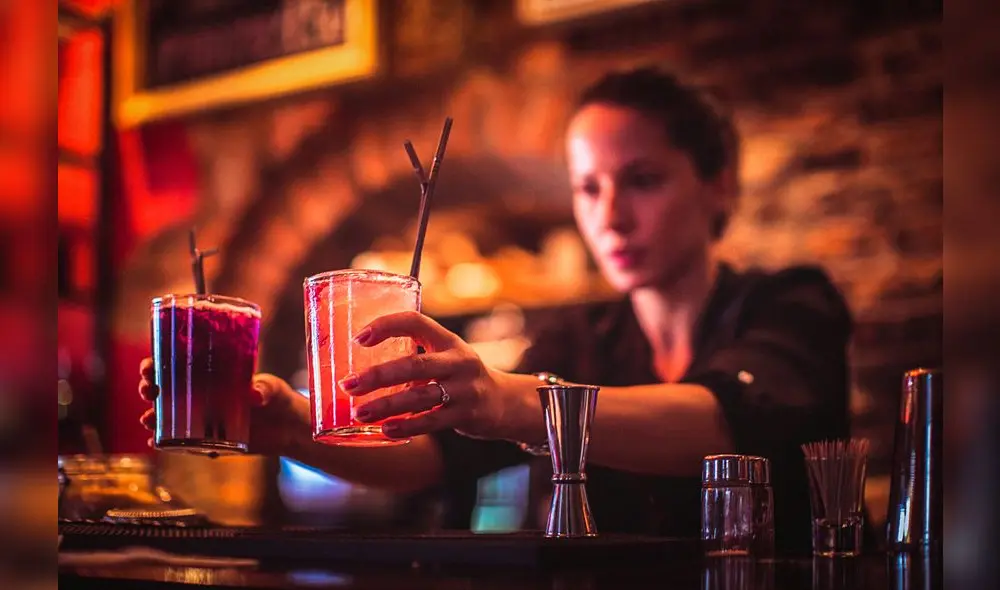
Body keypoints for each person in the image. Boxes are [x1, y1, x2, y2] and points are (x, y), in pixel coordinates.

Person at [138, 67, 851, 553]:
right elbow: (433, 457)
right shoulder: (577, 338)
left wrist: (509, 401)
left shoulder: (790, 303)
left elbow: (727, 422)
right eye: (588, 188)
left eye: (643, 180)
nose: (611, 216)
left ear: (718, 186)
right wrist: (293, 425)